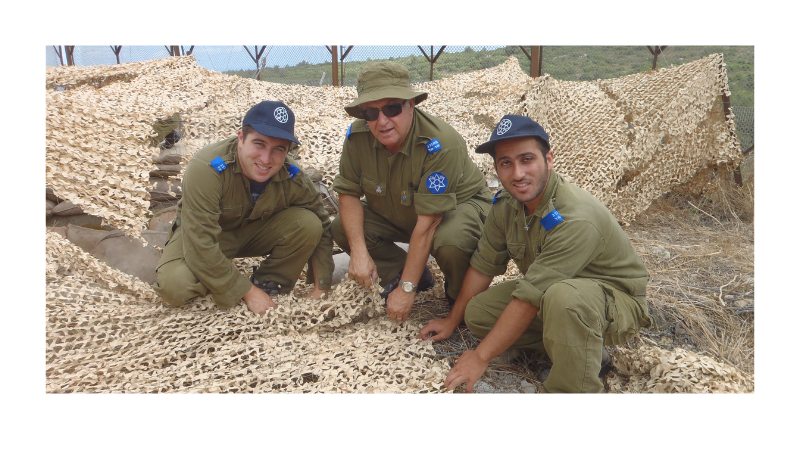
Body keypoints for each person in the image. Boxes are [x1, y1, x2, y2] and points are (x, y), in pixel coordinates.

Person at [419, 115, 652, 393]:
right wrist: (451, 320)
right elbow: (483, 267)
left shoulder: (575, 217)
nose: (517, 174)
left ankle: (574, 388)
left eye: (527, 159)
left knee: (564, 299)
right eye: (506, 163)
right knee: (478, 313)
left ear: (549, 159)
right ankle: (576, 348)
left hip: (612, 303)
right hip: (552, 294)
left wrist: (480, 357)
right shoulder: (508, 204)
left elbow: (530, 298)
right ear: (496, 168)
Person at [331, 62, 493, 322]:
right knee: (343, 226)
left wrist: (407, 290)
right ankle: (405, 273)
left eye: (392, 108)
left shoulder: (441, 144)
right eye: (371, 113)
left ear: (411, 104)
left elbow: (429, 224)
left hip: (454, 211)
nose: (382, 121)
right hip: (401, 213)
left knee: (452, 239)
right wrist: (359, 253)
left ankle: (460, 299)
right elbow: (348, 192)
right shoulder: (357, 138)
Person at [153, 101, 335, 314]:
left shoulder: (292, 175)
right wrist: (246, 291)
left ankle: (269, 284)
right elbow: (200, 242)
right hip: (206, 235)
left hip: (254, 232)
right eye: (259, 144)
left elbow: (322, 223)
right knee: (175, 287)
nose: (266, 159)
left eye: (279, 149)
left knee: (308, 224)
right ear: (241, 138)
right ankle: (238, 289)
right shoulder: (207, 169)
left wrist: (322, 286)